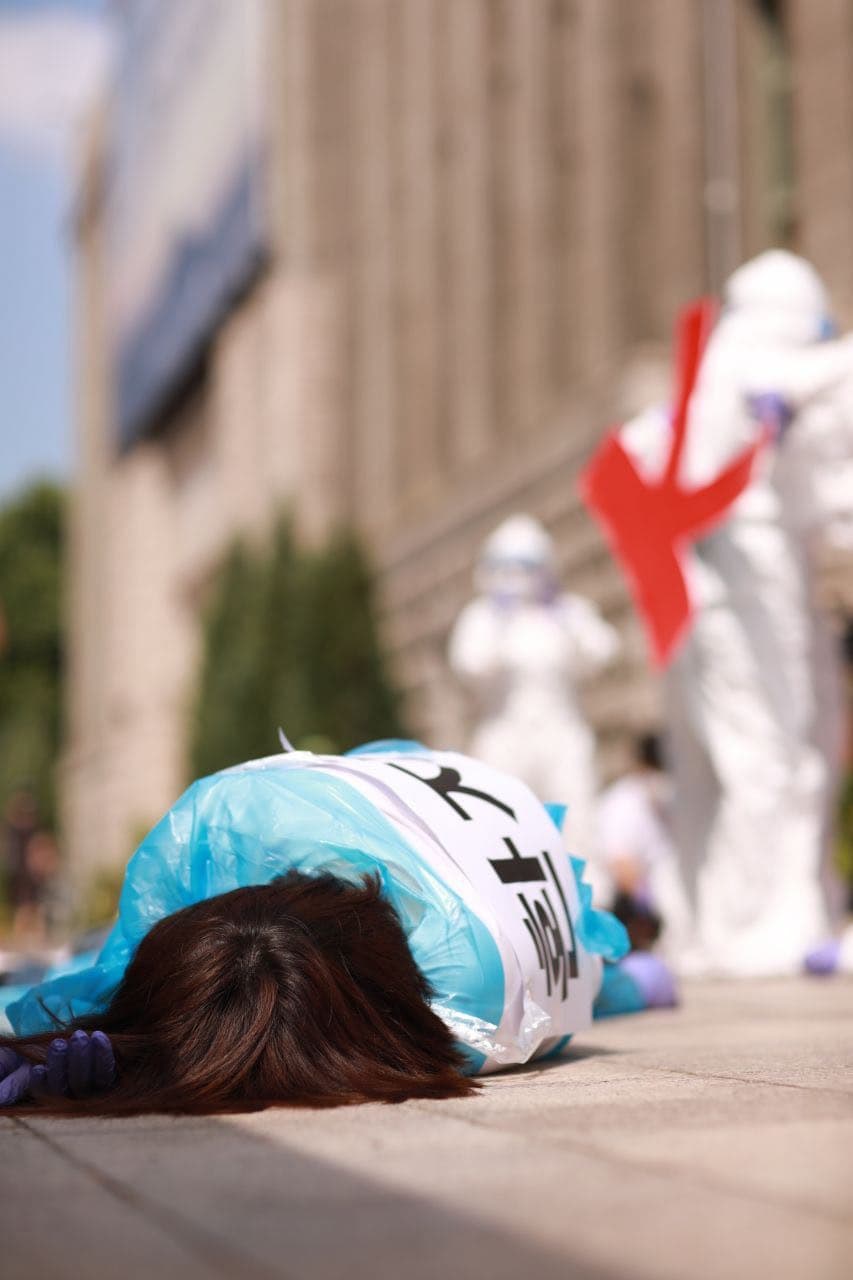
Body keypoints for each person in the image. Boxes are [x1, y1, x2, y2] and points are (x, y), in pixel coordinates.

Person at [0, 740, 673, 1116]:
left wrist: (101, 1049)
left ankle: (640, 976)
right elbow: (136, 972)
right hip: (401, 805)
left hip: (448, 847)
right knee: (614, 981)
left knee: (621, 985)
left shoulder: (467, 1015)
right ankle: (638, 975)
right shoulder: (219, 826)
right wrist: (114, 1035)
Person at [620, 251, 853, 975]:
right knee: (769, 758)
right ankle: (758, 928)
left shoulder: (733, 375)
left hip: (741, 588)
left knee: (767, 758)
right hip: (741, 589)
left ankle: (738, 919)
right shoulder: (747, 364)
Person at [448, 515, 620, 857]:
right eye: (507, 567)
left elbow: (604, 652)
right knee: (502, 825)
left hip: (563, 730)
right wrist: (499, 620)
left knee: (578, 821)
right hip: (505, 734)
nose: (518, 577)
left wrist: (567, 620)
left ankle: (590, 898)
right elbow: (470, 665)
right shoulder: (483, 616)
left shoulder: (567, 611)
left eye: (528, 567)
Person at [594, 734, 692, 963]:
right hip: (626, 904)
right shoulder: (623, 802)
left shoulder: (669, 799)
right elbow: (621, 865)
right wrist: (649, 907)